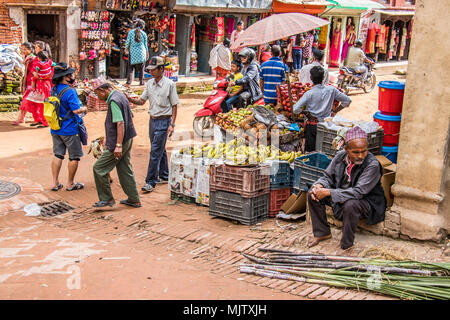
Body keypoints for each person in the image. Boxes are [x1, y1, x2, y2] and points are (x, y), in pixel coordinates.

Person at [307, 126, 386, 251]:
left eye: (364, 151)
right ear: (346, 150)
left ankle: (346, 244)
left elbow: (359, 192)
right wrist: (319, 186)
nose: (360, 156)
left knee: (351, 204)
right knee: (313, 193)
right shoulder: (340, 157)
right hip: (341, 194)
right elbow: (328, 177)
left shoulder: (372, 165)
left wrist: (329, 192)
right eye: (355, 152)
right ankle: (322, 232)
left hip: (366, 202)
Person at [125, 56, 179, 193]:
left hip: (164, 120)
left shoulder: (170, 85)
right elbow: (142, 101)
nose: (151, 72)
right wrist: (129, 98)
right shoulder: (149, 84)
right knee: (159, 149)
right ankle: (164, 175)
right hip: (153, 120)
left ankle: (150, 181)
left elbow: (174, 105)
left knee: (155, 151)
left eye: (153, 70)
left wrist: (172, 124)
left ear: (161, 69)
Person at [91, 77, 141, 208]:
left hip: (120, 141)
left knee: (99, 168)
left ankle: (107, 199)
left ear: (102, 90)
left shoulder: (113, 100)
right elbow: (129, 116)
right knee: (124, 168)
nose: (98, 96)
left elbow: (120, 123)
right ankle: (134, 198)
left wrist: (118, 145)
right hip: (128, 137)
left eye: (97, 93)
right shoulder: (120, 95)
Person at [293, 66, 351, 152]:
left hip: (312, 126)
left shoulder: (309, 93)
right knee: (324, 150)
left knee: (310, 153)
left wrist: (307, 113)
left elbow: (295, 109)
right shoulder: (331, 90)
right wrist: (334, 111)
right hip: (326, 126)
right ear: (323, 77)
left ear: (311, 78)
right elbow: (347, 101)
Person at [50, 63, 87, 192]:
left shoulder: (53, 89)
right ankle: (70, 183)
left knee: (58, 154)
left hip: (55, 128)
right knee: (74, 157)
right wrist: (84, 109)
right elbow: (77, 110)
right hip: (70, 129)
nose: (72, 76)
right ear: (65, 77)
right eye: (70, 74)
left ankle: (55, 183)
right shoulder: (70, 91)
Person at [12, 42, 41, 126]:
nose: (23, 51)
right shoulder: (27, 58)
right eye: (22, 49)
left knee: (26, 101)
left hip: (32, 83)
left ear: (30, 50)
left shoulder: (33, 59)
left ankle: (21, 119)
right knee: (29, 101)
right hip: (29, 82)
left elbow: (33, 72)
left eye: (25, 49)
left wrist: (32, 83)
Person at [125, 19, 148, 86]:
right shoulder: (144, 34)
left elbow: (128, 42)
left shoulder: (131, 32)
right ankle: (142, 82)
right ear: (142, 26)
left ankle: (129, 82)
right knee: (141, 68)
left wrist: (126, 49)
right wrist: (147, 53)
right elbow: (145, 45)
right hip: (142, 52)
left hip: (133, 52)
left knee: (130, 68)